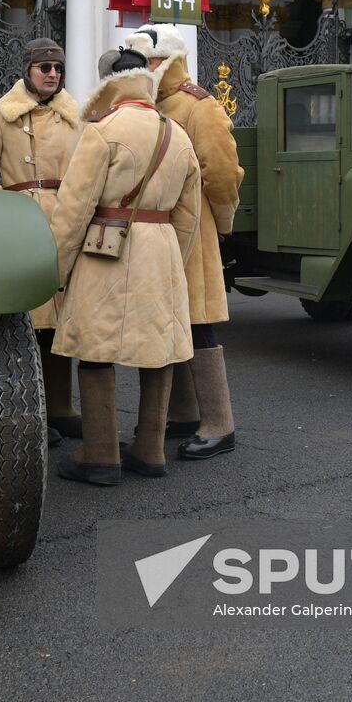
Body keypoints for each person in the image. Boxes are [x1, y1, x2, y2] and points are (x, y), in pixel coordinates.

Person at [49, 47, 201, 486]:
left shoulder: (102, 130)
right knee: (158, 352)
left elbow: (74, 208)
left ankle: (100, 454)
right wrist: (176, 259)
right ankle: (150, 450)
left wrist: (56, 270)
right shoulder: (176, 133)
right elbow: (188, 216)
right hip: (162, 248)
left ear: (106, 84)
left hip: (106, 249)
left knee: (97, 351)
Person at [124, 24, 244, 460]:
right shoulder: (147, 106)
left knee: (197, 322)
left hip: (193, 229)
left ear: (166, 61)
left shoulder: (198, 106)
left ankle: (220, 423)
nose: (143, 69)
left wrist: (221, 223)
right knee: (169, 320)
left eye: (149, 61)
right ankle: (184, 415)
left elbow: (224, 174)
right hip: (156, 229)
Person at [0, 38, 82, 443]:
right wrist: (10, 210)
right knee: (26, 326)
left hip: (67, 226)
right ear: (27, 70)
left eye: (57, 68)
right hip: (22, 230)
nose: (52, 74)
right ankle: (32, 417)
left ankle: (62, 409)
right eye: (44, 66)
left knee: (64, 326)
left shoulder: (77, 118)